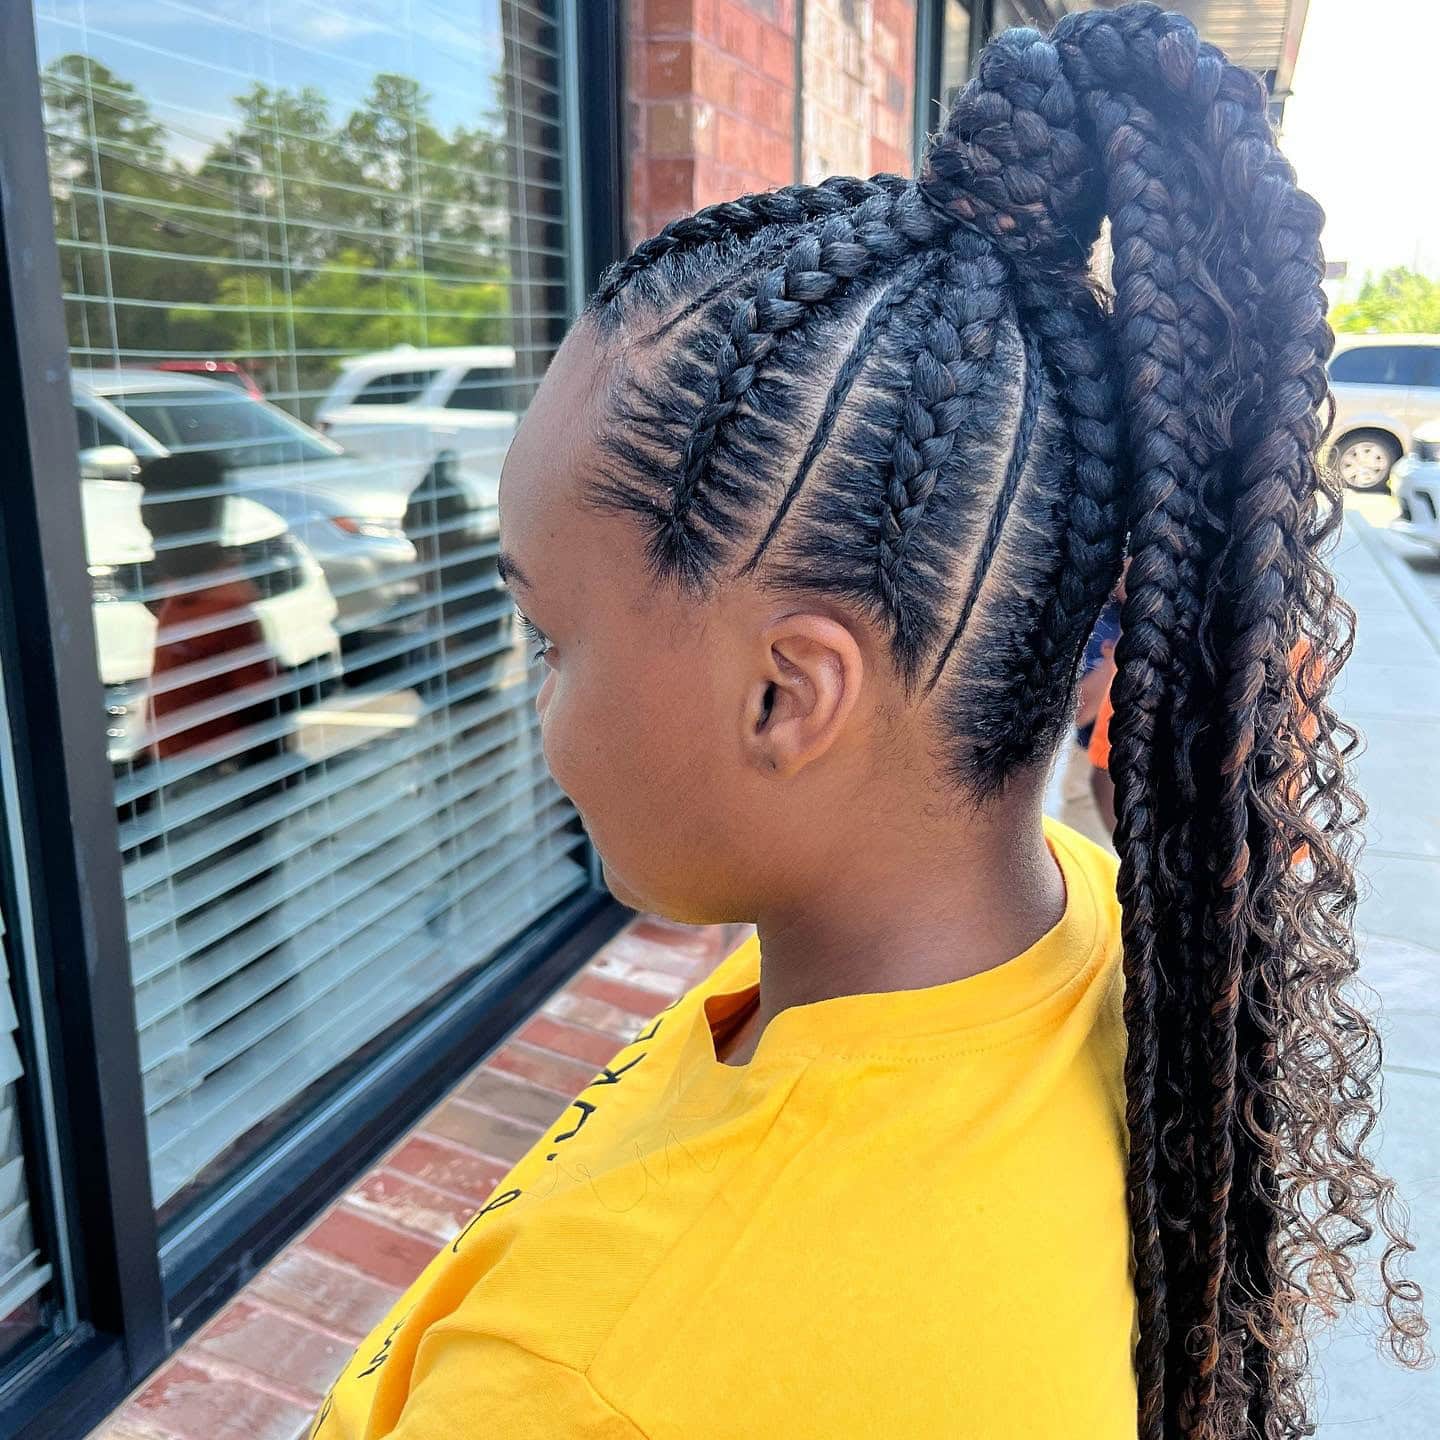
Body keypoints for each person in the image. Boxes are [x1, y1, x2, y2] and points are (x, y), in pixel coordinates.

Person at [313, 8, 1426, 1438]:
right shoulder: (1088, 944)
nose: (535, 710)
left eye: (550, 639)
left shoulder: (586, 1382)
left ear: (787, 695)